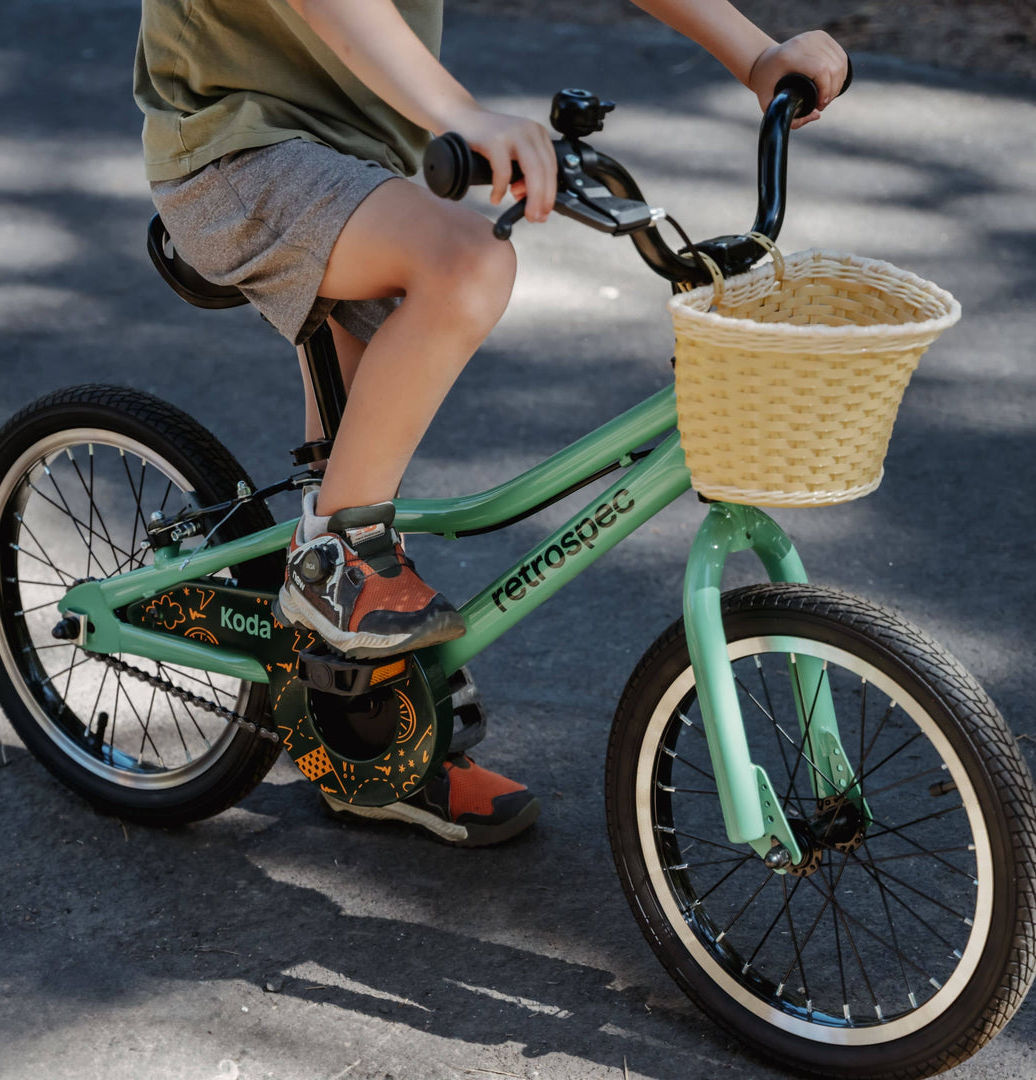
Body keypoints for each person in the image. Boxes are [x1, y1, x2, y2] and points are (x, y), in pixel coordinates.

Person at [134, 0, 848, 846]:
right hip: (233, 149)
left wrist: (758, 53)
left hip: (368, 157)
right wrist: (464, 115)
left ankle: (367, 746)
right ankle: (331, 563)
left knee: (360, 454)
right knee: (466, 264)